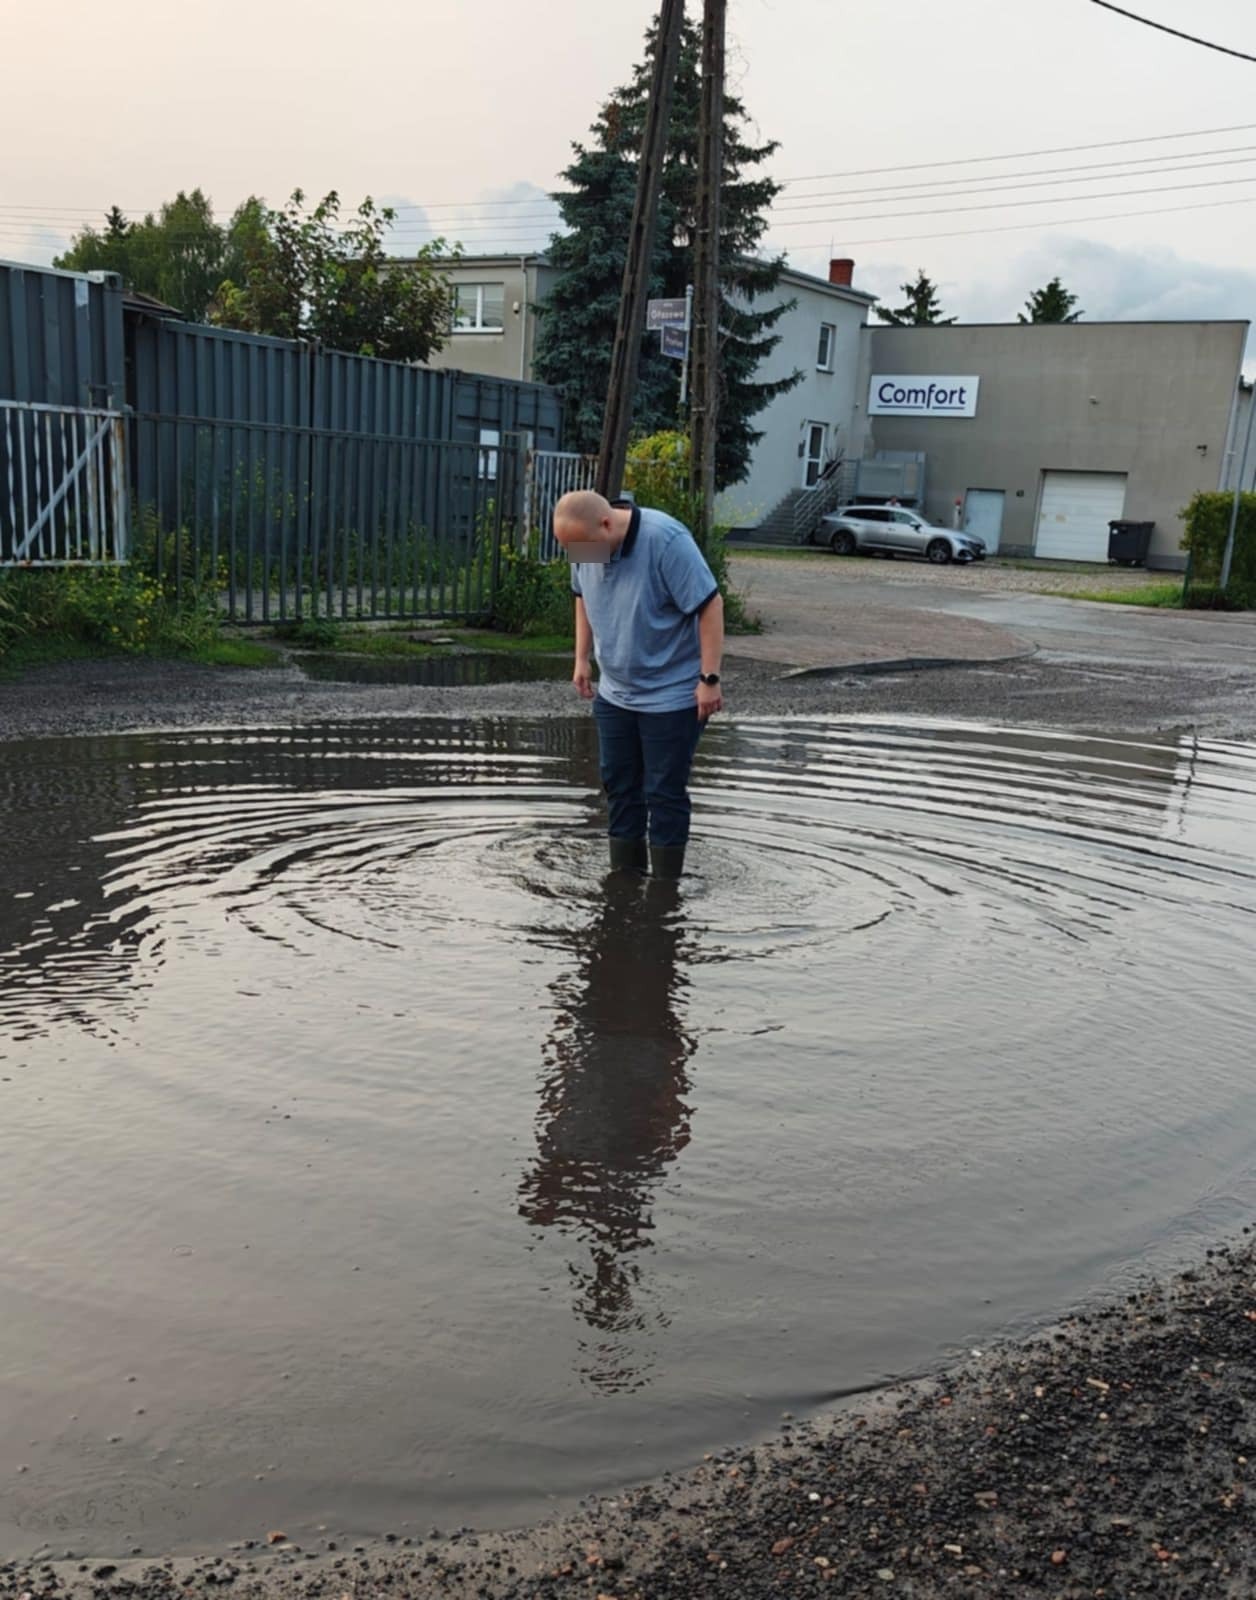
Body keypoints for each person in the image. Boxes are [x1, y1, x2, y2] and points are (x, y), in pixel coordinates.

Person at [551, 489, 724, 881]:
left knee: (663, 792)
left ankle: (665, 893)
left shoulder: (667, 541)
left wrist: (709, 678)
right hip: (615, 694)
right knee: (620, 787)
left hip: (673, 694)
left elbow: (710, 605)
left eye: (580, 547)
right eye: (569, 549)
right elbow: (582, 596)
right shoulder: (586, 543)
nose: (578, 557)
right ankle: (625, 884)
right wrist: (581, 658)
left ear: (607, 523)